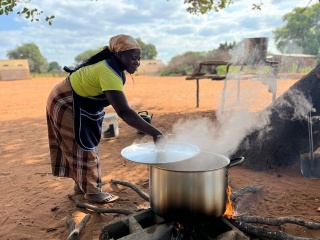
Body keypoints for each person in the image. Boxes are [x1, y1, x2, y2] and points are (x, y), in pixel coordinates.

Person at [46, 34, 164, 203]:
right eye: (133, 58)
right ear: (119, 55)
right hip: (65, 102)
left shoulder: (114, 69)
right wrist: (156, 133)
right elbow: (124, 112)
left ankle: (81, 187)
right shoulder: (108, 72)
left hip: (80, 102)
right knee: (85, 147)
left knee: (83, 145)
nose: (136, 63)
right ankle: (93, 193)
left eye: (139, 59)